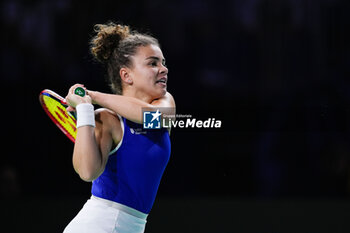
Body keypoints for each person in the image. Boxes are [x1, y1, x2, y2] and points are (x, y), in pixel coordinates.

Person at [63, 21, 175, 233]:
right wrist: (86, 112)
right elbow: (87, 172)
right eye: (153, 63)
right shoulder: (107, 119)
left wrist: (93, 96)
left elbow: (158, 119)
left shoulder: (164, 105)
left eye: (163, 62)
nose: (163, 69)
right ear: (126, 75)